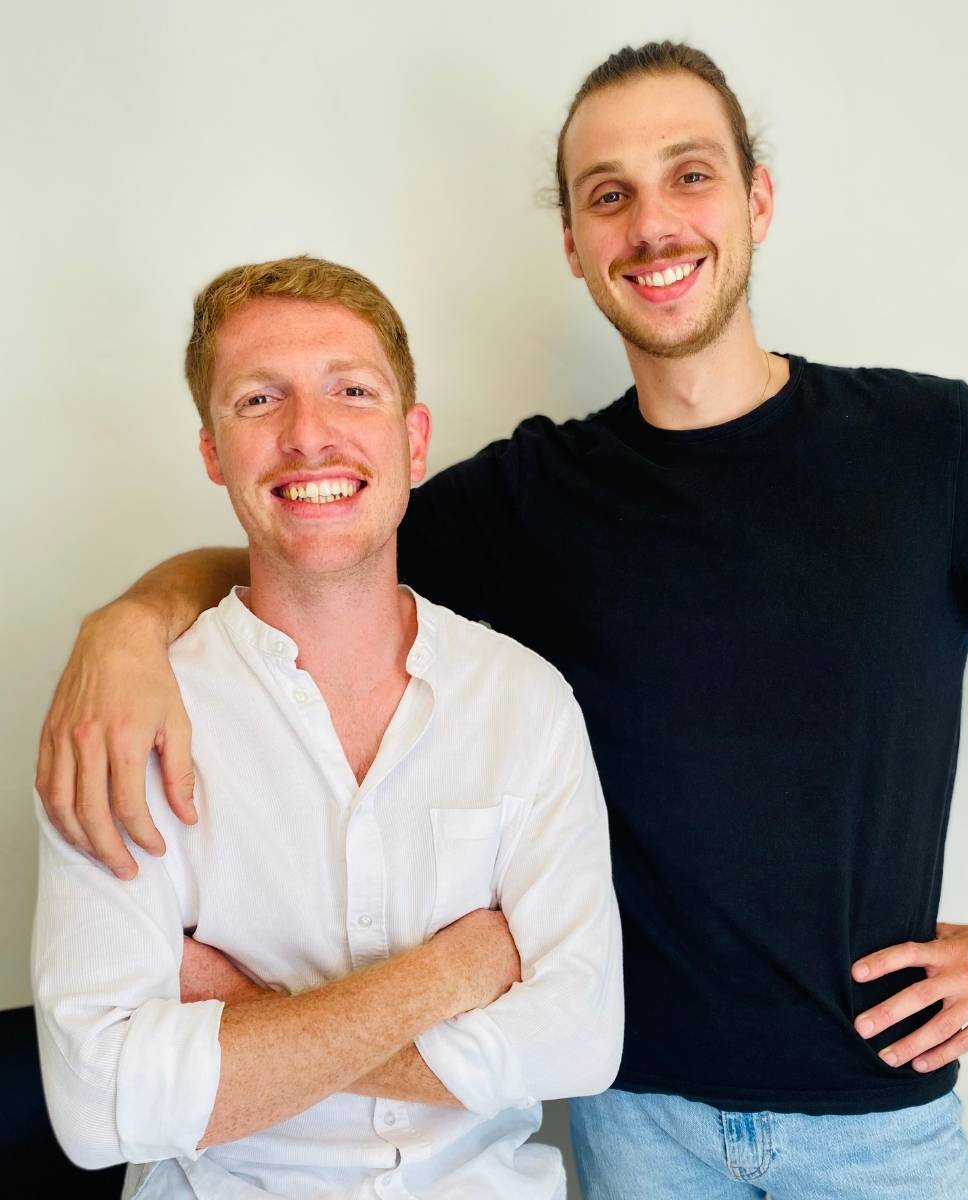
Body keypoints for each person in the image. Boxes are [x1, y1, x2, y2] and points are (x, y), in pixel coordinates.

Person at [38, 41, 968, 1200]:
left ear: (757, 199)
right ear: (578, 246)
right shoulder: (530, 499)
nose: (652, 224)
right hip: (634, 1128)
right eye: (610, 194)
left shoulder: (934, 450)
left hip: (879, 1123)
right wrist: (128, 628)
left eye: (689, 176)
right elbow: (312, 534)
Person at [31, 256, 623, 1200]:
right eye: (260, 400)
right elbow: (96, 1104)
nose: (310, 435)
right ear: (214, 452)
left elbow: (582, 1041)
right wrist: (450, 974)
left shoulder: (525, 701)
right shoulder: (125, 718)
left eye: (351, 391)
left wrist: (237, 1013)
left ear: (413, 439)